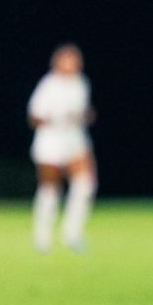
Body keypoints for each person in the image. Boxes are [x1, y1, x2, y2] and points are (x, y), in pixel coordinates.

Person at [28, 43, 97, 253]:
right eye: (69, 59)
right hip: (50, 142)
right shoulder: (49, 85)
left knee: (85, 184)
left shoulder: (81, 83)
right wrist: (56, 120)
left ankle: (72, 234)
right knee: (50, 190)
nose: (74, 63)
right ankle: (42, 237)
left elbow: (83, 112)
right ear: (57, 62)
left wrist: (85, 116)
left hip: (75, 140)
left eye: (76, 59)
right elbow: (34, 117)